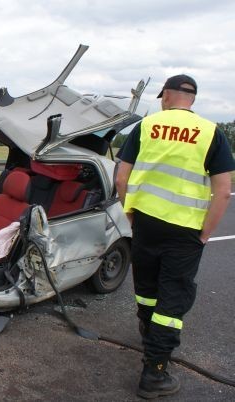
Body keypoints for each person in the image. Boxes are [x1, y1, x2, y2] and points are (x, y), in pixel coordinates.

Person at [116, 74, 234, 399]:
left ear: (166, 96)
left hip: (145, 223)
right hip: (184, 231)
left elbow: (122, 176)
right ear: (191, 99)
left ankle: (147, 332)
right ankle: (154, 374)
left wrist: (130, 213)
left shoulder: (146, 126)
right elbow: (223, 191)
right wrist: (205, 234)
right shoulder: (211, 133)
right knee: (172, 299)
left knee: (147, 290)